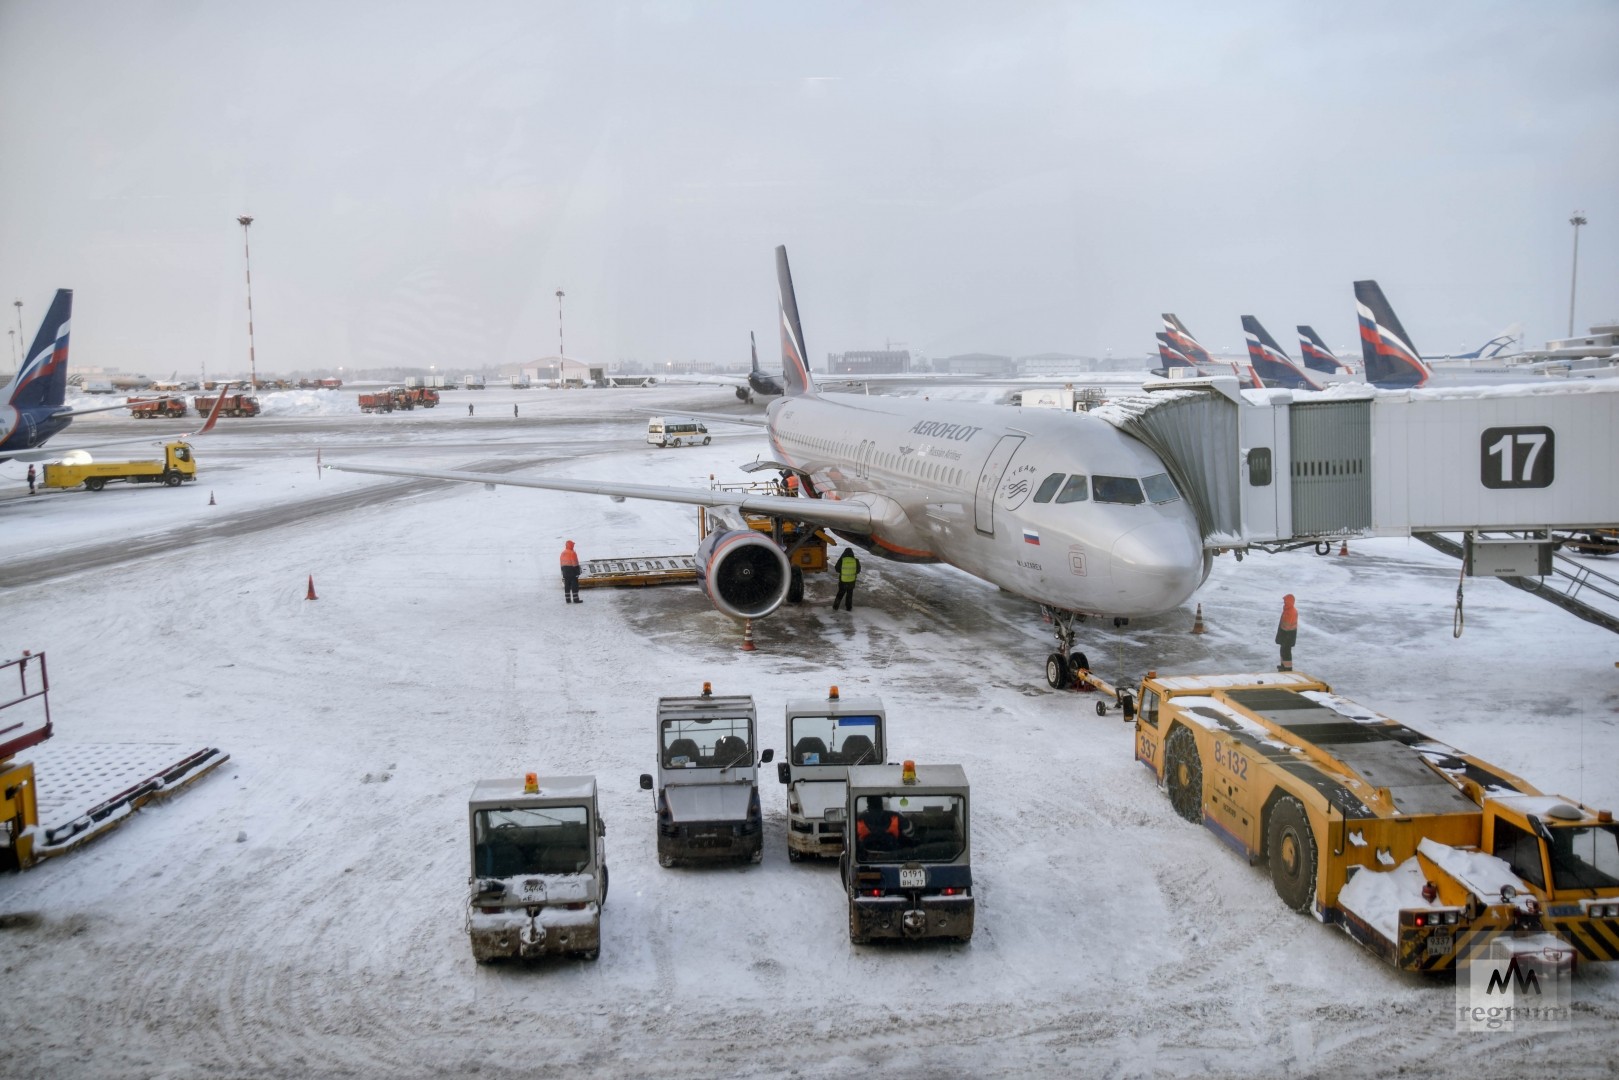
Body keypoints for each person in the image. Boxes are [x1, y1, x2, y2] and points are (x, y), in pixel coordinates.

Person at [1275, 594, 1298, 671]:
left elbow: (1287, 625)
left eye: (1285, 601)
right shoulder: (1287, 609)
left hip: (1288, 635)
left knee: (1286, 651)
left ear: (1290, 602)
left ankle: (1288, 668)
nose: (1284, 603)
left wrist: (1283, 633)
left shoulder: (1291, 611)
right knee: (1283, 650)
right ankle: (1283, 666)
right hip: (1284, 633)